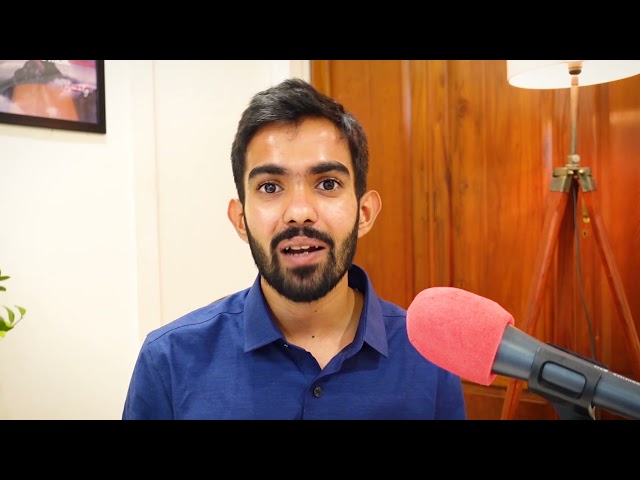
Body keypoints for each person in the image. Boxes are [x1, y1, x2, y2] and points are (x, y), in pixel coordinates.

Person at [122, 78, 467, 420]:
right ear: (240, 220)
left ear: (364, 213)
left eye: (327, 183)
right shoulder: (169, 360)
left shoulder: (430, 357)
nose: (299, 212)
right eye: (270, 187)